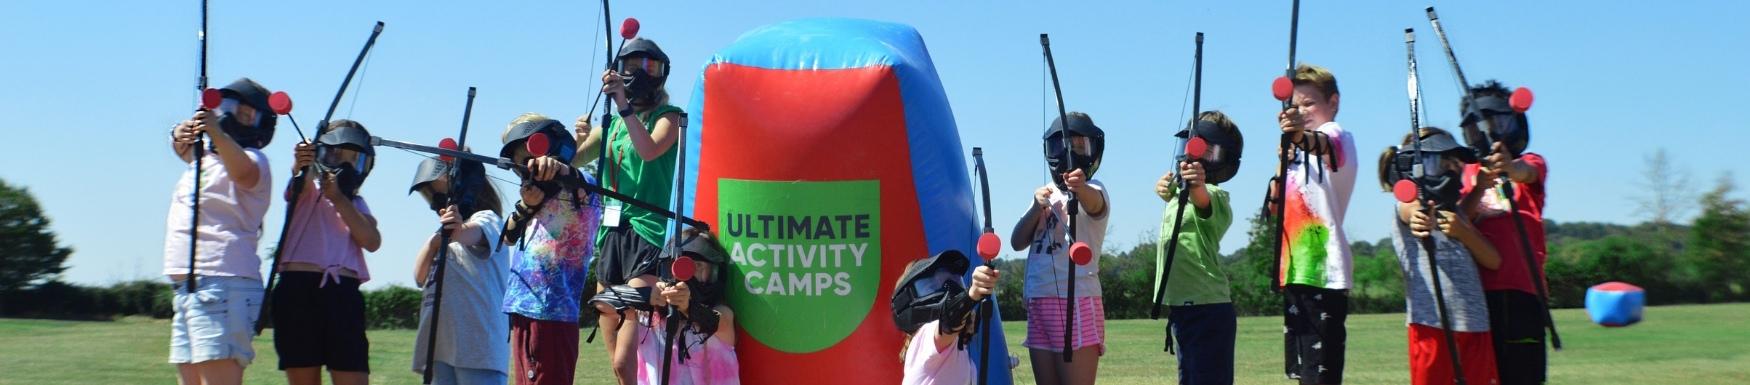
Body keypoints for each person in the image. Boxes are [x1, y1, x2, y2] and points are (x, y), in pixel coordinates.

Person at [571, 35, 688, 385]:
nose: (640, 73)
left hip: (650, 233)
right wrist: (574, 141)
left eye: (650, 66)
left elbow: (650, 150)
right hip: (611, 235)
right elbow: (574, 160)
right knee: (618, 367)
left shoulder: (671, 116)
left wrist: (623, 106)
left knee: (626, 361)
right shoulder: (611, 124)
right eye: (631, 67)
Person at [163, 77, 278, 385]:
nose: (227, 117)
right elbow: (181, 146)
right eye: (224, 108)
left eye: (242, 113)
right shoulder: (206, 161)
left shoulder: (255, 161)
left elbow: (243, 172)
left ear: (260, 124)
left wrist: (215, 129)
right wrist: (179, 131)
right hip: (189, 287)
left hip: (223, 284)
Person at [1381, 127, 1502, 385]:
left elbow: (1494, 260)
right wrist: (1419, 219)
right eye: (1439, 161)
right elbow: (1410, 211)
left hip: (1476, 322)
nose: (1449, 170)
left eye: (1453, 163)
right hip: (1430, 323)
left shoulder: (1458, 213)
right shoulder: (1409, 203)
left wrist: (1466, 225)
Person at [1455, 81, 1553, 385]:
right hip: (1476, 295)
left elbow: (1527, 172)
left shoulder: (1531, 161)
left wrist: (1509, 167)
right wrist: (1479, 185)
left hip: (1524, 293)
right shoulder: (1465, 172)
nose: (1490, 132)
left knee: (1524, 376)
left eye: (1499, 122)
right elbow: (1459, 217)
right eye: (1479, 126)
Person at [1268, 63, 1359, 385]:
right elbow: (1272, 209)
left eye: (1310, 103)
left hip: (1325, 274)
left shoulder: (1337, 135)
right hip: (1295, 271)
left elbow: (1322, 145)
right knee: (1303, 372)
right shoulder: (1295, 154)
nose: (1302, 110)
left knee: (1321, 374)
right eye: (1295, 105)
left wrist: (1297, 135)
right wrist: (1282, 160)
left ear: (1332, 102)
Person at [274, 119, 382, 385]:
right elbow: (299, 183)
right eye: (335, 154)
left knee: (353, 374)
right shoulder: (306, 188)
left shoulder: (355, 202)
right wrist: (302, 163)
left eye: (353, 159)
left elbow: (371, 240)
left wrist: (338, 198)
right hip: (297, 290)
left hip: (342, 293)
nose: (344, 165)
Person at [500, 113, 603, 385]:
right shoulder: (535, 196)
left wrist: (556, 167)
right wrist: (527, 206)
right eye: (520, 164)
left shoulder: (582, 187)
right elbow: (507, 237)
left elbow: (575, 179)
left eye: (530, 159)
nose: (525, 170)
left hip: (551, 311)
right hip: (522, 307)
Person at [1009, 112, 1110, 385]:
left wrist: (1079, 188)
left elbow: (1096, 205)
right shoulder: (1045, 194)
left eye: (1080, 146)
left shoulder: (1093, 188)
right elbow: (1017, 242)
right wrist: (1035, 207)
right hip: (1039, 300)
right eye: (1063, 145)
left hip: (1075, 300)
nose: (1070, 153)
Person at [1153, 111, 1244, 384]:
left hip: (1209, 310)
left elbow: (1203, 201)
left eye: (1205, 151)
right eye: (1189, 148)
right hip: (1183, 308)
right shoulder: (1181, 197)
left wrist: (1197, 185)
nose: (1191, 157)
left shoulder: (1215, 195)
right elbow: (1185, 200)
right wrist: (1167, 190)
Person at [408, 157, 511, 385]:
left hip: (477, 348)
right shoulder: (438, 239)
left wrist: (455, 229)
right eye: (433, 199)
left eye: (441, 196)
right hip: (440, 346)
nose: (437, 205)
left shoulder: (487, 219)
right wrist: (434, 242)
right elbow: (419, 276)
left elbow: (468, 234)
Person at [636, 229, 741, 385]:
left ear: (712, 273)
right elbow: (603, 305)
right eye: (678, 266)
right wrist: (644, 297)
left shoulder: (723, 313)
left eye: (698, 266)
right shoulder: (650, 318)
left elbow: (714, 321)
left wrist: (687, 306)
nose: (688, 276)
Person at [891, 250, 1000, 385]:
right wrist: (971, 295)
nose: (951, 289)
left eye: (955, 281)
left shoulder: (959, 352)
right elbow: (948, 323)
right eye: (932, 285)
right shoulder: (925, 336)